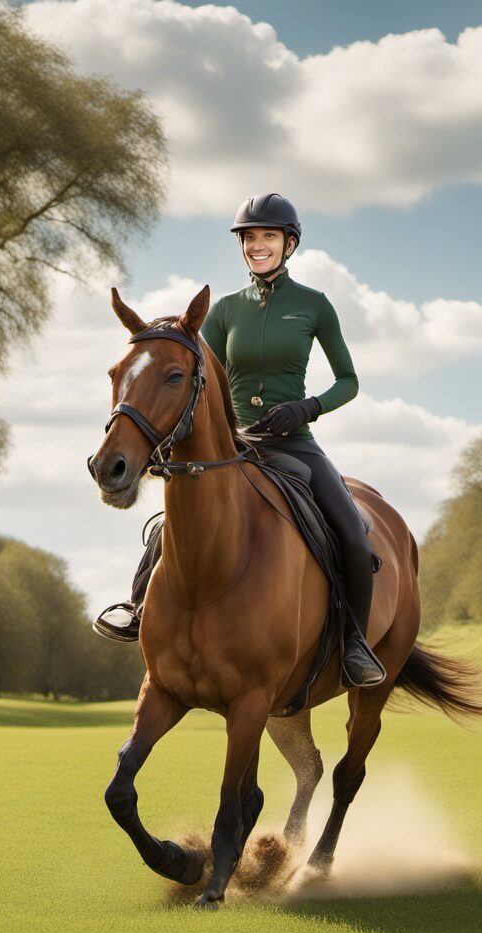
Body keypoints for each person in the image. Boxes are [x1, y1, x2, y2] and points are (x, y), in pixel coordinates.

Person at [94, 193, 385, 687]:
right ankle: (140, 606)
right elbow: (194, 376)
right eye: (249, 238)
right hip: (237, 446)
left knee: (353, 533)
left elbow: (349, 381)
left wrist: (308, 407)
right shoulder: (223, 310)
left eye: (268, 236)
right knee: (173, 525)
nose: (257, 245)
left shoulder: (314, 306)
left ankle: (354, 643)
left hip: (296, 444)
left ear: (289, 243)